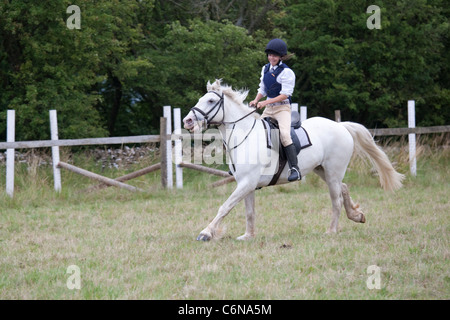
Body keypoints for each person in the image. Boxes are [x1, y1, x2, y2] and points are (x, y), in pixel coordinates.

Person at [249, 38, 301, 181]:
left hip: (282, 109)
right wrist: (256, 100)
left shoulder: (287, 72)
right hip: (268, 107)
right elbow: (263, 89)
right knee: (255, 132)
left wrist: (265, 103)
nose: (271, 58)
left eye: (274, 56)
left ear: (281, 57)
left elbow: (285, 94)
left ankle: (294, 168)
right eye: (270, 55)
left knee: (284, 135)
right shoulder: (265, 68)